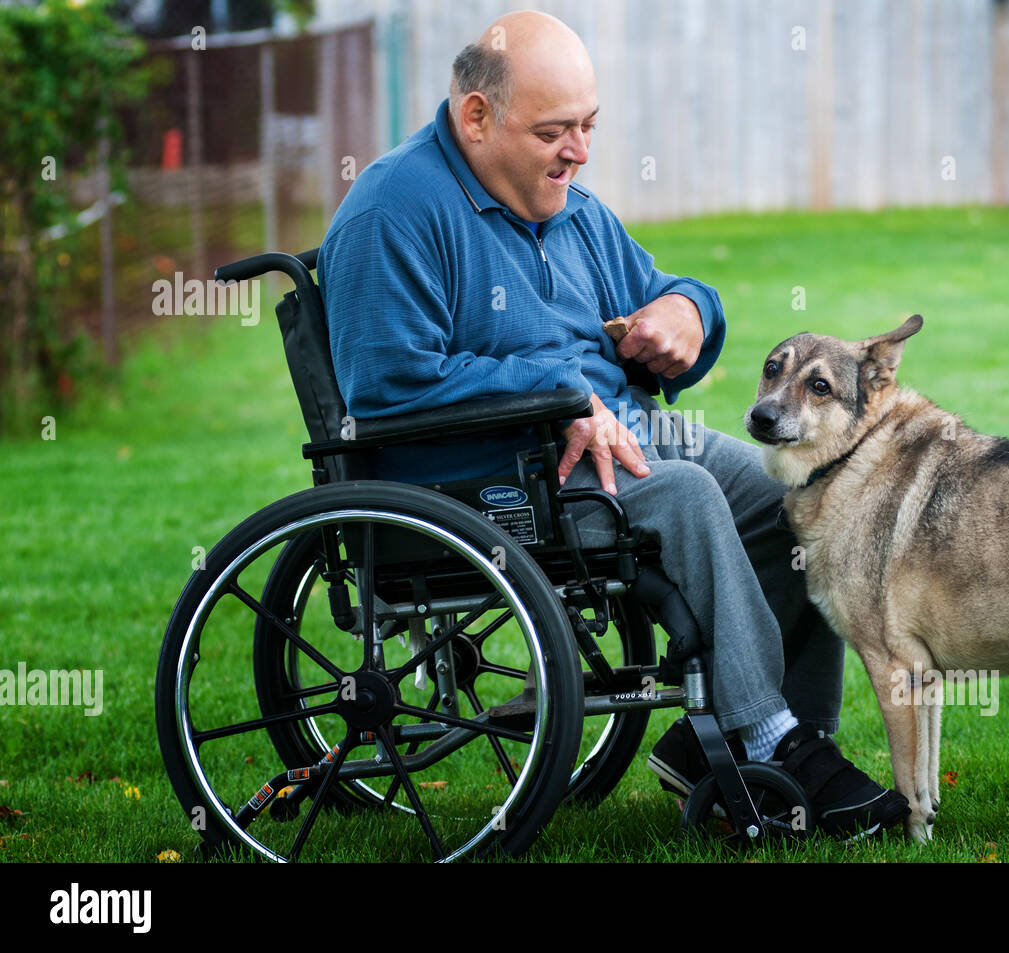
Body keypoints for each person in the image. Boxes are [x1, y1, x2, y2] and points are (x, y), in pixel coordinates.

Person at [317, 10, 910, 838]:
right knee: (689, 495)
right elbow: (386, 386)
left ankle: (774, 738)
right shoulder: (395, 210)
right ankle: (768, 738)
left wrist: (687, 313)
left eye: (589, 127)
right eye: (555, 131)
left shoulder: (568, 209)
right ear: (476, 117)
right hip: (487, 472)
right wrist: (560, 393)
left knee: (804, 495)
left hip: (617, 437)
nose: (580, 151)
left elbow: (679, 292)